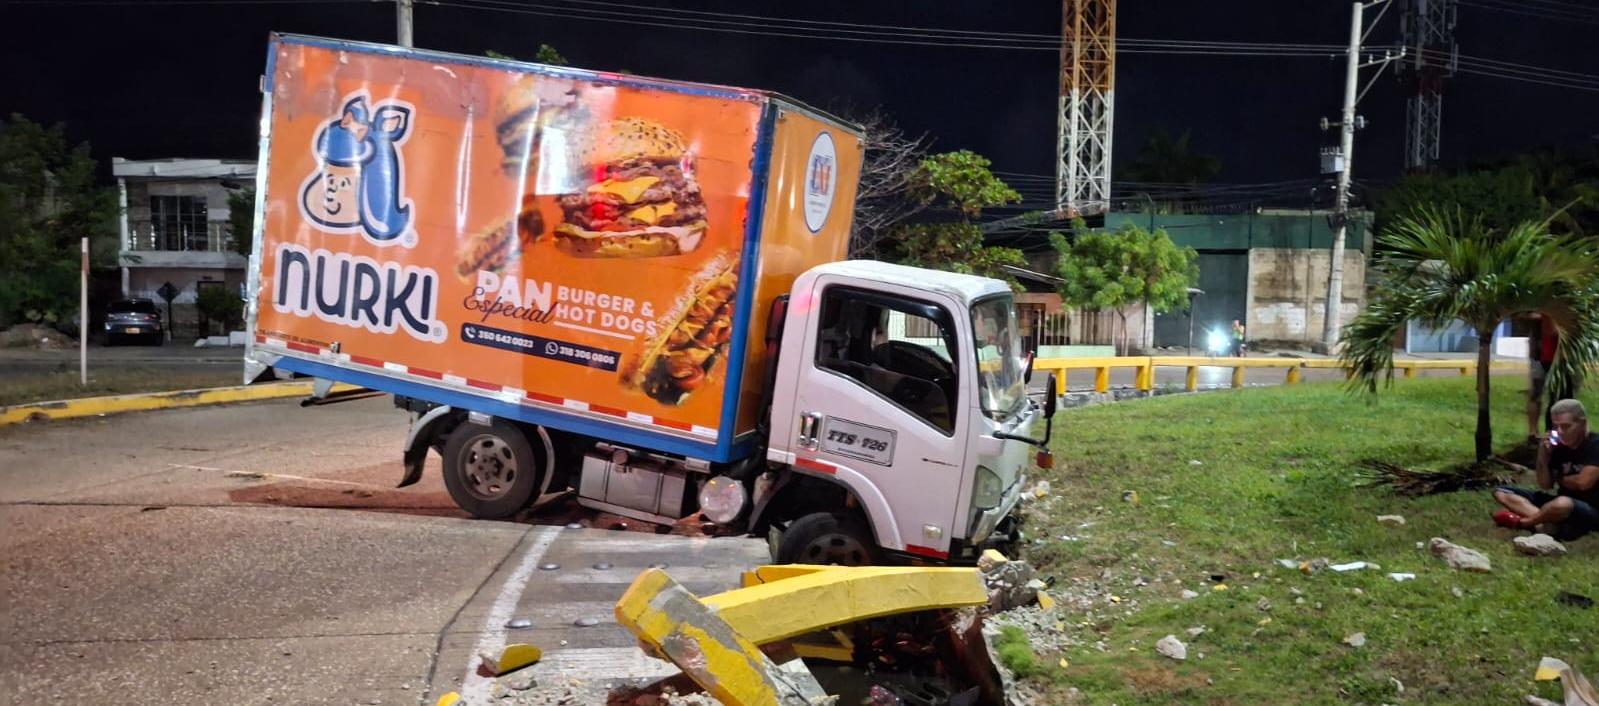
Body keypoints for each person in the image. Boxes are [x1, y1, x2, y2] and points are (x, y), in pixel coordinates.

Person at [1492, 398, 1599, 541]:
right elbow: (1545, 484)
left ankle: (1526, 522)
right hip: (1560, 502)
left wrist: (1558, 478)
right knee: (1502, 492)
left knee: (1562, 503)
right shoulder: (1560, 447)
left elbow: (1583, 483)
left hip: (1591, 508)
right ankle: (1546, 523)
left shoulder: (1595, 445)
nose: (1560, 431)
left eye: (1566, 426)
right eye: (1556, 426)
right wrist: (1543, 455)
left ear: (1582, 423)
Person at [1526, 314, 1555, 440]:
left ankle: (1553, 437)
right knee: (1535, 394)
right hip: (1540, 354)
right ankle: (1533, 433)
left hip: (1559, 356)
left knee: (1557, 399)